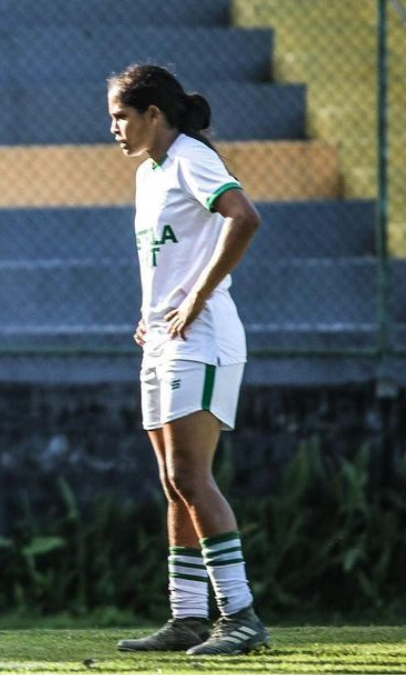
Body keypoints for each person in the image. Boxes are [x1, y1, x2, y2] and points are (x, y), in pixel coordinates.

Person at [106, 64, 268, 656]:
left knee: (189, 477)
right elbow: (171, 256)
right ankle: (187, 618)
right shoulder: (151, 172)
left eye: (122, 116)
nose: (115, 129)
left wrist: (196, 297)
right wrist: (153, 313)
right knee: (174, 485)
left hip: (202, 338)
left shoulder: (191, 157)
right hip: (165, 340)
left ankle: (242, 616)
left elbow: (244, 217)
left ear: (155, 114)